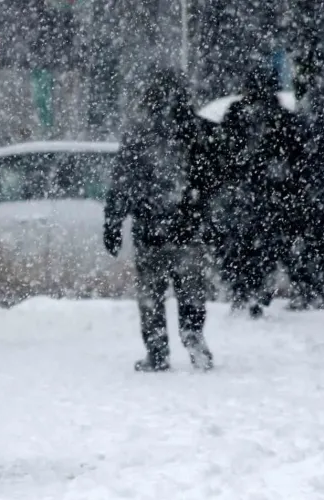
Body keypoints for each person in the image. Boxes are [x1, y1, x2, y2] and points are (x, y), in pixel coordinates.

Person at [103, 68, 214, 372]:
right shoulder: (196, 131)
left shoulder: (139, 133)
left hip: (150, 227)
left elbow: (122, 183)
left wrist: (113, 223)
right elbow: (211, 181)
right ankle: (193, 335)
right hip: (187, 227)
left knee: (151, 294)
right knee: (190, 290)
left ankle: (157, 351)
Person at [213, 64, 308, 318]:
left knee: (239, 244)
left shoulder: (236, 113)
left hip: (242, 193)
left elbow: (222, 152)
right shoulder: (283, 117)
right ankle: (257, 289)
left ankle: (240, 290)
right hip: (273, 194)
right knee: (266, 246)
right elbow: (298, 160)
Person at [293, 63, 324, 310]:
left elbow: (311, 140)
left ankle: (311, 289)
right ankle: (321, 288)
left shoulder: (316, 100)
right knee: (321, 237)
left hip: (314, 183)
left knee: (311, 237)